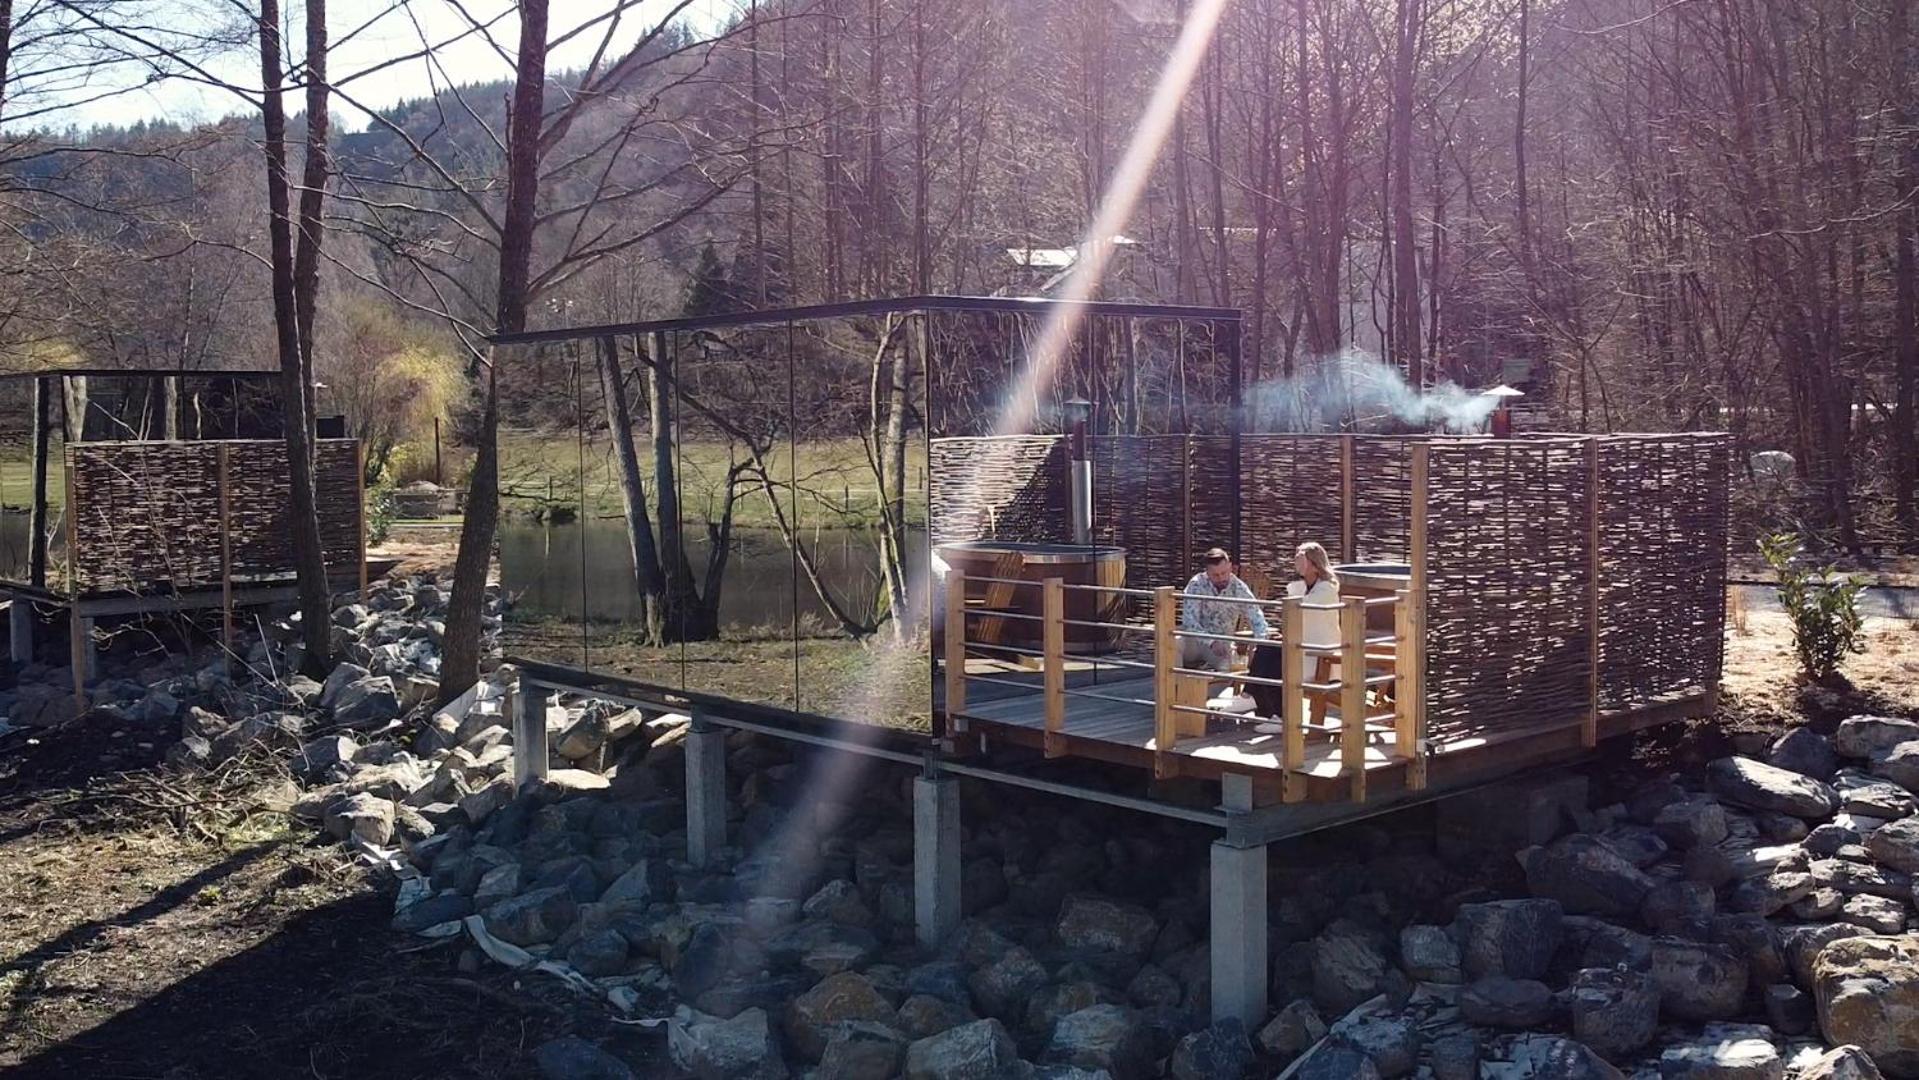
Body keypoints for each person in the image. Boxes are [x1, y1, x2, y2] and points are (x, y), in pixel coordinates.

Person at [1249, 542, 1342, 727]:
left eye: (1301, 558)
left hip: (1317, 654)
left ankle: (1279, 714)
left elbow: (1300, 611)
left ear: (1314, 565)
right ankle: (1265, 708)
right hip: (1300, 646)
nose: (1296, 561)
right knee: (1266, 648)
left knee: (1276, 663)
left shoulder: (1327, 589)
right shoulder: (1303, 587)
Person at [1179, 548, 1271, 673]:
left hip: (1223, 646)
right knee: (1174, 644)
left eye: (1224, 572)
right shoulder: (1196, 584)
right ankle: (1173, 687)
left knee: (1229, 669)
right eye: (1215, 575)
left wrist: (1260, 644)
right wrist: (1211, 642)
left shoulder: (1238, 588)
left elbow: (1257, 617)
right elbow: (1189, 622)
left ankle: (1211, 692)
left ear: (1230, 567)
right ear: (1207, 572)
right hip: (1196, 641)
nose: (1221, 578)